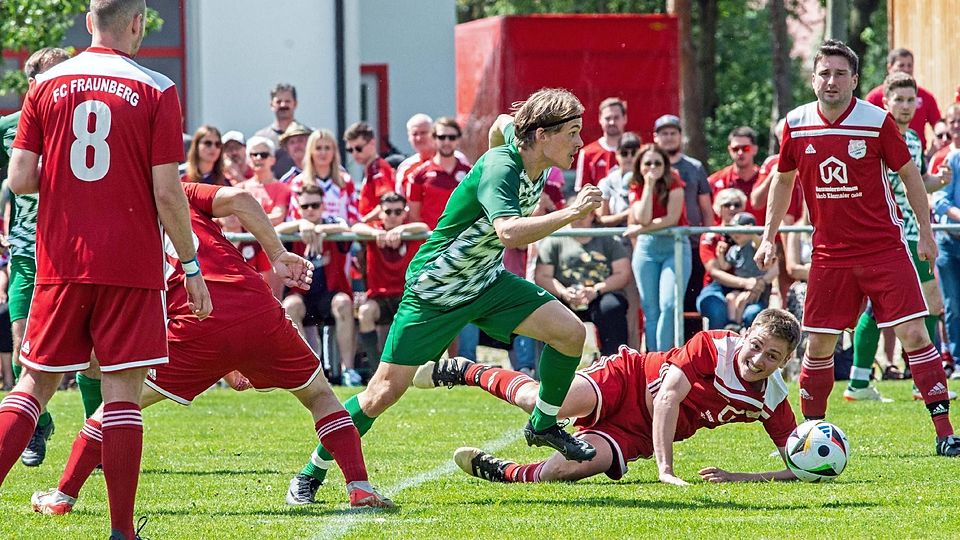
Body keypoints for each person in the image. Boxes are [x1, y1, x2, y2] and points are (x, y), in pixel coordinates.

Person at [286, 88, 605, 503]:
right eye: (573, 132)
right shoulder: (501, 167)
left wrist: (498, 146)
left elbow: (500, 124)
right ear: (543, 134)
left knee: (570, 333)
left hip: (486, 283)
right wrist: (571, 212)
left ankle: (543, 424)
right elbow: (507, 231)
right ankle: (310, 473)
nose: (580, 142)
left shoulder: (527, 146)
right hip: (436, 291)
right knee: (382, 393)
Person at [31, 182, 392, 516]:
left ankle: (62, 496)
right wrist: (278, 253)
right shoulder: (172, 186)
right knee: (320, 396)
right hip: (255, 307)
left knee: (118, 405)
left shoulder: (104, 222)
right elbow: (241, 199)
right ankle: (359, 487)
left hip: (195, 320)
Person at [4, 2, 213, 539]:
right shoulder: (156, 88)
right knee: (122, 389)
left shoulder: (46, 83)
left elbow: (20, 178)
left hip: (59, 260)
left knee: (35, 384)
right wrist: (191, 264)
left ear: (89, 21)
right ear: (138, 22)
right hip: (129, 264)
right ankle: (122, 532)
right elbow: (168, 191)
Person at [755, 39, 959, 457]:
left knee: (915, 332)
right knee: (818, 346)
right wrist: (767, 236)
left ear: (855, 80)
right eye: (824, 73)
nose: (831, 81)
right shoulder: (795, 123)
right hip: (830, 254)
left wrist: (924, 231)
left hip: (884, 248)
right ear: (813, 79)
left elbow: (910, 176)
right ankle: (810, 439)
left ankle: (945, 433)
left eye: (840, 73)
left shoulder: (876, 120)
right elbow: (783, 179)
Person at [413, 308, 802, 485]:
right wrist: (665, 471)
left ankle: (501, 470)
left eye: (772, 356)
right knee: (542, 402)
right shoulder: (713, 346)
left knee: (560, 471)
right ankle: (467, 370)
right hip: (626, 380)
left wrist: (740, 476)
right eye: (756, 346)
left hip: (635, 432)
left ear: (786, 360)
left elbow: (797, 467)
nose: (758, 359)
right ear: (746, 334)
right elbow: (667, 398)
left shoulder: (771, 397)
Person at [1, 47, 86, 469]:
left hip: (72, 250)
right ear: (33, 83)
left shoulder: (83, 124)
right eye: (54, 76)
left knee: (91, 352)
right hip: (25, 253)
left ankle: (98, 432)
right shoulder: (9, 129)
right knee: (22, 346)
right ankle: (39, 426)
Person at [846, 72, 951, 402]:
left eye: (911, 101)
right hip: (893, 235)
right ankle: (923, 383)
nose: (906, 107)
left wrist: (939, 181)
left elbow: (916, 182)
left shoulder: (916, 140)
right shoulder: (877, 136)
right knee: (927, 302)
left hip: (909, 234)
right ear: (886, 102)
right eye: (900, 100)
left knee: (884, 310)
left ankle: (859, 384)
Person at [276, 184, 358, 386]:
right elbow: (275, 230)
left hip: (330, 293)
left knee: (344, 302)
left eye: (315, 205)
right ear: (300, 208)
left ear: (323, 206)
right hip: (302, 294)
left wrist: (319, 229)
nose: (311, 210)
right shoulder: (294, 227)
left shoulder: (332, 222)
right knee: (289, 306)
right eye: (306, 206)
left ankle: (349, 370)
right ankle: (310, 372)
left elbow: (347, 227)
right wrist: (302, 225)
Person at [534, 194, 632, 356]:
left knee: (612, 307)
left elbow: (623, 273)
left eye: (584, 214)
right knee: (547, 309)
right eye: (576, 213)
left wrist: (596, 290)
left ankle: (615, 365)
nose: (579, 218)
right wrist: (564, 293)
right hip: (565, 295)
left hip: (600, 295)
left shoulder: (607, 239)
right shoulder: (555, 239)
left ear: (593, 215)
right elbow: (542, 276)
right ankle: (553, 364)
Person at [652, 114, 714, 340]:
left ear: (680, 136)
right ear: (655, 138)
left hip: (692, 244)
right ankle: (658, 355)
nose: (669, 138)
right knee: (659, 305)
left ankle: (691, 355)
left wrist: (709, 238)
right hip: (657, 245)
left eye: (673, 133)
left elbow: (706, 208)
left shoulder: (694, 167)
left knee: (691, 303)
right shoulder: (650, 166)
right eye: (664, 133)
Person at [351, 192, 428, 371]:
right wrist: (375, 233)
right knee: (365, 313)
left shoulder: (409, 230)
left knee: (417, 318)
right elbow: (355, 228)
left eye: (397, 211)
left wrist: (401, 230)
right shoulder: (374, 230)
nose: (392, 216)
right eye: (388, 212)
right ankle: (376, 370)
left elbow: (423, 226)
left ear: (404, 213)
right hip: (379, 297)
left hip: (405, 296)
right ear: (381, 213)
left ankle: (410, 370)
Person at [624, 143, 690, 351]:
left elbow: (672, 218)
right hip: (647, 250)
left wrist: (641, 229)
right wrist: (649, 186)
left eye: (657, 163)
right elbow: (642, 218)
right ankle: (652, 363)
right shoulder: (635, 184)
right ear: (639, 166)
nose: (653, 167)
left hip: (675, 247)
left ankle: (665, 358)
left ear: (665, 165)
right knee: (650, 311)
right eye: (648, 163)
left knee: (669, 305)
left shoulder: (675, 181)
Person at [697, 189, 767, 330]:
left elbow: (769, 262)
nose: (732, 208)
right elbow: (714, 271)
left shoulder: (753, 233)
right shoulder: (711, 235)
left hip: (751, 286)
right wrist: (746, 283)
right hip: (717, 287)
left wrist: (759, 283)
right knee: (717, 310)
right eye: (727, 204)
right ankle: (716, 350)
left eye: (737, 204)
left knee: (753, 315)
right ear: (718, 208)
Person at [865, 48, 942, 150]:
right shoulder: (874, 97)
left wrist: (934, 149)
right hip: (885, 152)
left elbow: (939, 125)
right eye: (901, 65)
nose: (906, 69)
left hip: (917, 153)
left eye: (909, 65)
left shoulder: (926, 96)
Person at [933, 103, 960, 391]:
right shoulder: (945, 158)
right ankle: (957, 360)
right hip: (950, 242)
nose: (957, 126)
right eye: (953, 121)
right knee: (951, 306)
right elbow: (939, 200)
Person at [715, 212, 776, 329]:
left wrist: (752, 234)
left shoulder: (753, 245)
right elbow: (725, 266)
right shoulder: (733, 249)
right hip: (742, 287)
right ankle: (733, 323)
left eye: (740, 230)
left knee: (742, 301)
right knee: (730, 298)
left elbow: (759, 244)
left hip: (758, 287)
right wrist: (720, 254)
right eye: (733, 230)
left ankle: (739, 325)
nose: (735, 234)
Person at [408, 117, 472, 229]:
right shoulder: (419, 174)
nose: (446, 142)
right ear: (433, 139)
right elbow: (414, 217)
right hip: (432, 240)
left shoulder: (470, 173)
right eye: (441, 137)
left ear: (458, 140)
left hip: (461, 240)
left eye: (452, 137)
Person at [345, 121, 397, 223]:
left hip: (378, 232)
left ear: (372, 142)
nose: (355, 153)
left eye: (358, 148)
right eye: (350, 150)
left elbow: (389, 203)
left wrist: (362, 221)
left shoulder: (378, 169)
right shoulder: (371, 169)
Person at [575, 97, 627, 190]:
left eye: (616, 117)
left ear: (625, 118)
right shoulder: (587, 153)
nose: (612, 122)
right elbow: (582, 191)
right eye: (608, 118)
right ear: (600, 119)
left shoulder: (636, 150)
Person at [254, 83, 304, 177]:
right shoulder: (261, 138)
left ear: (295, 104)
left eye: (287, 101)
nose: (283, 105)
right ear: (271, 105)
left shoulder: (308, 136)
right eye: (279, 101)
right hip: (272, 190)